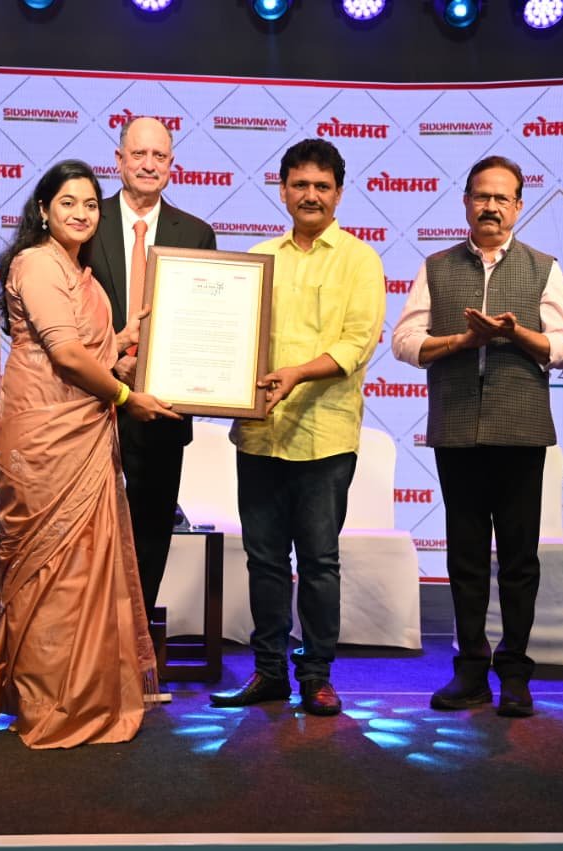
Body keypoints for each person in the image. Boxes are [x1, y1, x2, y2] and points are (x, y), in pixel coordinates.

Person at [0, 160, 180, 749]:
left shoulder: (83, 275)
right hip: (43, 431)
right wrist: (125, 395)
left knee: (86, 568)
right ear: (43, 210)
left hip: (86, 427)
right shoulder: (36, 262)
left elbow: (90, 351)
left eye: (90, 204)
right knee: (49, 568)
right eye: (68, 202)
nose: (81, 213)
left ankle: (87, 694)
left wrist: (128, 338)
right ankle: (48, 704)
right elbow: (64, 355)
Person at [391, 155, 563, 717]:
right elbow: (403, 341)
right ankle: (470, 671)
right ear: (466, 203)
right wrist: (459, 344)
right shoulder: (437, 266)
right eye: (481, 196)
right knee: (466, 558)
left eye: (503, 198)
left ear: (519, 206)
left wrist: (517, 333)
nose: (491, 206)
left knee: (519, 560)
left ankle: (515, 673)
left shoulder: (544, 268)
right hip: (456, 431)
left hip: (520, 433)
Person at [209, 139, 385, 717]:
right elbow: (229, 339)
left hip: (325, 436)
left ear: (338, 192)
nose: (311, 195)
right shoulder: (257, 261)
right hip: (259, 435)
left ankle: (316, 675)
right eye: (300, 184)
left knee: (318, 562)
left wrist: (296, 375)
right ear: (282, 189)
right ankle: (268, 673)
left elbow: (356, 344)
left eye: (322, 185)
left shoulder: (361, 260)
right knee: (262, 561)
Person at [87, 117, 218, 618]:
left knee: (149, 535)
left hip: (163, 409)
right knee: (87, 533)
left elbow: (207, 323)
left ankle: (134, 647)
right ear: (118, 160)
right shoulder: (85, 222)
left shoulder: (197, 233)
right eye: (138, 154)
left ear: (171, 165)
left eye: (159, 156)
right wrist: (109, 360)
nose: (148, 164)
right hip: (90, 404)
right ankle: (87, 651)